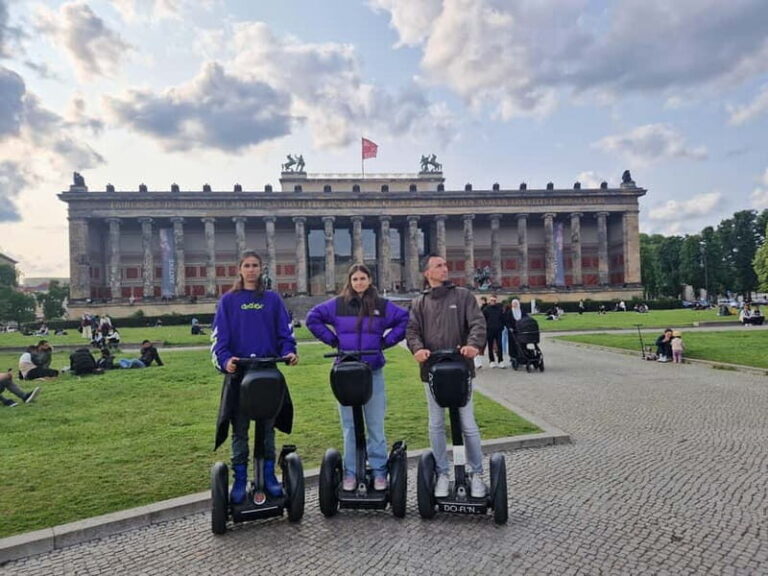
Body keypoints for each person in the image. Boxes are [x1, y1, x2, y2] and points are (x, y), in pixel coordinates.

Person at [306, 263, 409, 492]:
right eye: (355, 279)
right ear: (350, 282)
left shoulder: (381, 305)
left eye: (363, 278)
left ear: (369, 280)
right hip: (347, 371)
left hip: (372, 370)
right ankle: (350, 471)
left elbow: (405, 319)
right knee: (349, 426)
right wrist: (333, 341)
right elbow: (313, 318)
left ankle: (379, 471)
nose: (359, 283)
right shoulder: (338, 304)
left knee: (375, 424)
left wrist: (385, 342)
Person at [211, 250, 299, 504]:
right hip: (240, 374)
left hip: (267, 373)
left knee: (267, 429)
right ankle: (240, 479)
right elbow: (219, 340)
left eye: (255, 265)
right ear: (239, 269)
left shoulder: (272, 300)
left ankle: (269, 475)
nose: (251, 270)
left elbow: (285, 334)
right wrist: (226, 361)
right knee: (240, 430)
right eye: (247, 265)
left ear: (261, 269)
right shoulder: (228, 301)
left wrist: (289, 352)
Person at [406, 254, 487, 499]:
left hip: (461, 369)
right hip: (432, 372)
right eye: (438, 266)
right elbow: (412, 331)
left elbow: (477, 323)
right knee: (436, 424)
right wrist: (418, 349)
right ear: (427, 273)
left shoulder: (462, 296)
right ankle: (442, 472)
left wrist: (473, 345)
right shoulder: (419, 302)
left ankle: (476, 472)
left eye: (445, 265)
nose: (445, 269)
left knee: (468, 424)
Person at [482, 294, 505, 368]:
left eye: (494, 300)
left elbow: (502, 318)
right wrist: (486, 328)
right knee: (490, 346)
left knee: (500, 346)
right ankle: (491, 361)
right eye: (491, 300)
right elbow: (483, 320)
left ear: (496, 301)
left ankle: (500, 361)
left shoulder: (499, 309)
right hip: (489, 330)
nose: (493, 302)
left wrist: (501, 327)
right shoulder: (486, 309)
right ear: (489, 300)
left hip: (498, 330)